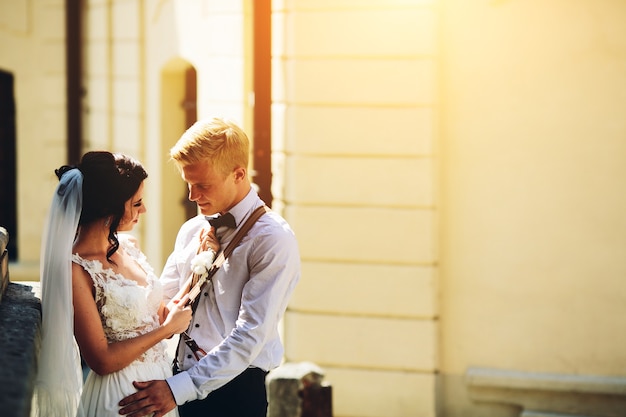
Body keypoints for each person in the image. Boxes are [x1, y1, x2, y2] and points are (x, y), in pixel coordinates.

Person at [119, 117, 301, 417]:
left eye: (202, 185)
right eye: (188, 185)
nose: (192, 196)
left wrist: (179, 389)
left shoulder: (274, 241)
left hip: (234, 395)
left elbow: (249, 337)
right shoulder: (191, 230)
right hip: (171, 383)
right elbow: (162, 304)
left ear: (239, 174)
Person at [33, 151, 219, 417]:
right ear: (110, 207)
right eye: (136, 203)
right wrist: (165, 330)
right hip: (119, 399)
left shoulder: (129, 247)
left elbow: (156, 317)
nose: (143, 210)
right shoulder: (76, 269)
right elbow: (101, 359)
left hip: (159, 388)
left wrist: (199, 266)